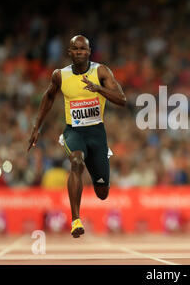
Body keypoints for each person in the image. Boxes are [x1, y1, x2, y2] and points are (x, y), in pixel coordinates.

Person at [28, 35, 126, 238]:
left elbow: (122, 99)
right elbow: (48, 97)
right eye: (76, 49)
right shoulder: (60, 75)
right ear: (69, 52)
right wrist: (36, 126)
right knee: (76, 161)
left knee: (102, 193)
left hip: (97, 133)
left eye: (84, 49)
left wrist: (99, 88)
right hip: (74, 131)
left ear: (89, 52)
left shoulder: (100, 71)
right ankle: (76, 220)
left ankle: (100, 156)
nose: (80, 52)